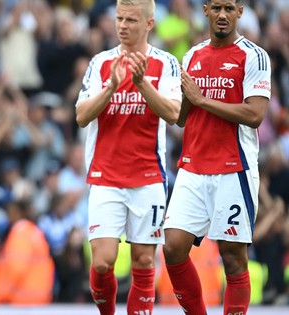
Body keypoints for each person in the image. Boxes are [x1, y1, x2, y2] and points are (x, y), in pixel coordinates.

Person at [162, 1, 272, 314]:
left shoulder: (254, 56)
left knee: (233, 255)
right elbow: (182, 117)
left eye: (229, 7)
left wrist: (201, 98)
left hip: (233, 167)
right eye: (216, 7)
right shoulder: (192, 55)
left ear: (239, 12)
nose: (222, 15)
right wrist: (169, 94)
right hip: (192, 166)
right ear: (206, 11)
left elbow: (254, 114)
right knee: (172, 248)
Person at [74, 0, 182, 314]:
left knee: (144, 260)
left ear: (149, 24)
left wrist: (140, 83)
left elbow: (173, 113)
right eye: (119, 19)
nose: (122, 26)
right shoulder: (101, 62)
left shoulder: (165, 63)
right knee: (104, 262)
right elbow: (81, 115)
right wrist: (111, 88)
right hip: (106, 176)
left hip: (148, 177)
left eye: (131, 20)